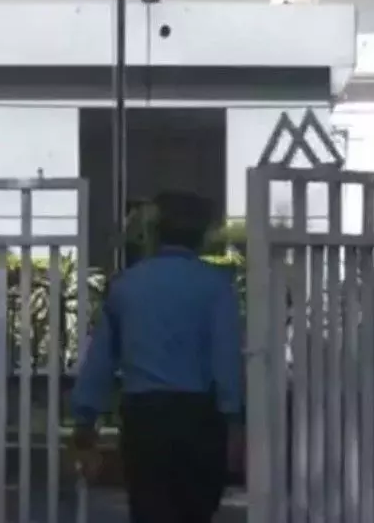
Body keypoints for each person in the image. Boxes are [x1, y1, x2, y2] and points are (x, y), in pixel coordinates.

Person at [71, 191, 244, 523]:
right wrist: (234, 421)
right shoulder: (217, 286)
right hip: (199, 418)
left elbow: (101, 360)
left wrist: (85, 420)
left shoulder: (126, 285)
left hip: (144, 417)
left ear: (155, 233)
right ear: (201, 236)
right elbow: (226, 360)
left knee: (149, 510)